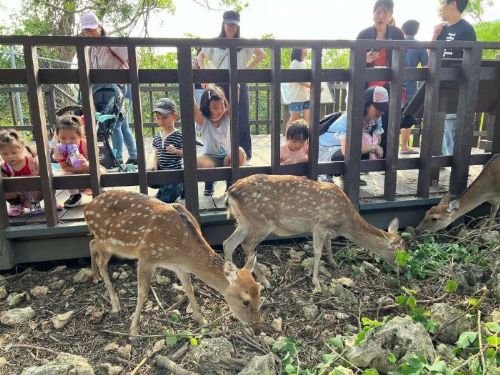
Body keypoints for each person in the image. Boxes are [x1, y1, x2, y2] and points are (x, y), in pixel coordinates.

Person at [197, 10, 266, 163]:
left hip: (240, 83)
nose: (231, 27)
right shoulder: (215, 43)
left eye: (234, 25)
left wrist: (247, 69)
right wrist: (204, 73)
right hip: (220, 84)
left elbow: (262, 54)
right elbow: (200, 56)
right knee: (218, 116)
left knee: (242, 119)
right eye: (229, 24)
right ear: (223, 24)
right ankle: (222, 151)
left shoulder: (245, 43)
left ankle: (244, 156)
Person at [80, 12, 138, 165]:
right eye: (86, 31)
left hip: (120, 89)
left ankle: (117, 158)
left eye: (92, 30)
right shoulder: (91, 49)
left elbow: (135, 56)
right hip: (105, 91)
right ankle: (134, 156)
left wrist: (128, 76)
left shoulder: (112, 43)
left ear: (99, 27)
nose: (89, 33)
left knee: (116, 123)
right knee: (122, 124)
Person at [357, 0, 404, 153]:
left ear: (390, 15)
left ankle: (387, 157)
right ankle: (365, 155)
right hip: (368, 86)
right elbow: (354, 60)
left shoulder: (397, 34)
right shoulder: (363, 34)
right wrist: (365, 59)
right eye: (378, 12)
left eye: (385, 12)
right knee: (366, 121)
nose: (381, 16)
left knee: (389, 120)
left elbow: (403, 57)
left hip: (390, 84)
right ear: (373, 14)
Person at [432, 0, 476, 156]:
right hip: (439, 81)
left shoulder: (467, 29)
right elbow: (431, 55)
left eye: (444, 3)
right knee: (438, 122)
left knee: (450, 122)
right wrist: (435, 35)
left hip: (456, 84)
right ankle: (440, 159)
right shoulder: (441, 29)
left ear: (453, 4)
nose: (441, 7)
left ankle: (449, 160)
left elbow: (471, 59)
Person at [319, 86, 388, 184]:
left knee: (366, 150)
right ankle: (326, 173)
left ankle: (350, 174)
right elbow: (346, 151)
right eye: (378, 108)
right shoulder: (348, 118)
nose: (381, 112)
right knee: (351, 153)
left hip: (350, 147)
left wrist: (372, 146)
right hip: (326, 148)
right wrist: (372, 147)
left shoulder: (376, 119)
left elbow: (377, 140)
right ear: (367, 105)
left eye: (383, 108)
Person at [193, 86, 246, 195]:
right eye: (215, 107)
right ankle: (209, 180)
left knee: (240, 152)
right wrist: (189, 86)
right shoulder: (203, 121)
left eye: (222, 106)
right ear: (207, 108)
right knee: (197, 161)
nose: (219, 110)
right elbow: (192, 106)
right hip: (210, 158)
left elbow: (235, 98)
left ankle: (231, 182)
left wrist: (236, 84)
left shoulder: (227, 116)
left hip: (227, 158)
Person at [53, 115, 105, 208]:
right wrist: (74, 167)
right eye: (63, 138)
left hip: (89, 171)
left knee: (101, 171)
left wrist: (86, 163)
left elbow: (96, 163)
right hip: (73, 173)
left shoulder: (86, 145)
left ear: (80, 136)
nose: (68, 141)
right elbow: (64, 168)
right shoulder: (59, 150)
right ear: (58, 137)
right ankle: (75, 195)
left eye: (72, 138)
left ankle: (99, 192)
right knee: (63, 176)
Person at [0, 130, 44, 217]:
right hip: (18, 195)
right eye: (5, 154)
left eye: (14, 152)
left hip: (35, 193)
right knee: (4, 188)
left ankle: (51, 201)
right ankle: (15, 205)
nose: (10, 156)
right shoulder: (4, 167)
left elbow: (42, 175)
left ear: (22, 148)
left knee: (48, 179)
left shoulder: (33, 161)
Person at [401, 19, 428, 154]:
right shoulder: (420, 46)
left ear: (403, 29)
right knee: (408, 116)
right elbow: (426, 67)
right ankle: (404, 146)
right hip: (411, 86)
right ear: (416, 31)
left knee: (390, 116)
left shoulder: (396, 43)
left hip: (394, 85)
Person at [150, 98, 184, 203]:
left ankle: (181, 187)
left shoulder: (178, 135)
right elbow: (155, 152)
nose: (160, 121)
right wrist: (154, 165)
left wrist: (176, 151)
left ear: (174, 116)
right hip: (162, 172)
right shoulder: (157, 136)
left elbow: (187, 153)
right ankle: (163, 191)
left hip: (175, 174)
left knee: (166, 199)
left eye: (164, 117)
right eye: (158, 118)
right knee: (153, 183)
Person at [287, 49, 311, 128]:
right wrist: (314, 87)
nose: (306, 50)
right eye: (304, 48)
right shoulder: (294, 63)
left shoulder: (303, 63)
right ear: (299, 51)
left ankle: (308, 139)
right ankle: (288, 139)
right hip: (296, 97)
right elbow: (299, 81)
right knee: (294, 119)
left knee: (308, 119)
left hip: (305, 96)